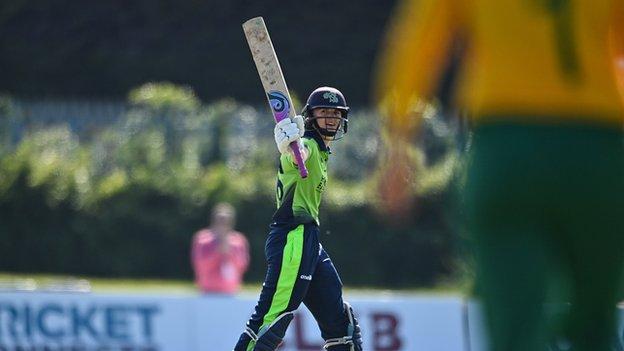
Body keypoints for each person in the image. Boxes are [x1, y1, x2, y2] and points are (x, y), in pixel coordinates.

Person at [374, 1, 624, 351]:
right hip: (596, 148)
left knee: (514, 327)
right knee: (595, 326)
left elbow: (416, 43)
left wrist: (398, 148)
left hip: (506, 147)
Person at [233, 87, 363, 351]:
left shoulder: (323, 152)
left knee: (342, 327)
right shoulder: (310, 146)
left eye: (335, 113)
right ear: (310, 116)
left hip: (310, 242)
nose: (330, 118)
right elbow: (298, 153)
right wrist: (290, 145)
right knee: (270, 323)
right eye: (323, 112)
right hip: (293, 238)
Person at [191, 203, 250, 294]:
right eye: (220, 220)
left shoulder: (238, 240)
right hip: (207, 292)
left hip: (231, 293)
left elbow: (242, 266)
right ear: (213, 220)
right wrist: (217, 252)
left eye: (226, 220)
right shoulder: (202, 239)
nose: (223, 224)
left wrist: (229, 254)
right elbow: (200, 266)